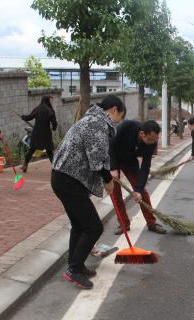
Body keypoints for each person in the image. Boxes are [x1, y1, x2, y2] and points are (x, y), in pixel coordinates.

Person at [51, 95, 125, 289]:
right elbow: (96, 160)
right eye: (120, 117)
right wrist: (108, 181)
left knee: (80, 225)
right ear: (114, 110)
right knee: (93, 227)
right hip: (69, 180)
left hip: (64, 177)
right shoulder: (97, 124)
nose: (118, 122)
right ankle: (74, 271)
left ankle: (76, 265)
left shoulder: (90, 119)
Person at [110, 119, 167, 235]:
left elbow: (145, 167)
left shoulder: (152, 143)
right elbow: (110, 144)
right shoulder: (127, 126)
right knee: (115, 193)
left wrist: (138, 190)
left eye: (155, 139)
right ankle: (123, 224)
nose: (153, 142)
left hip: (130, 161)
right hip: (113, 157)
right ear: (142, 134)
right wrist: (113, 168)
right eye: (151, 139)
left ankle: (151, 223)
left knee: (142, 193)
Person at [20, 95, 57, 172]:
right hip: (46, 134)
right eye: (50, 100)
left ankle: (25, 165)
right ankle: (55, 168)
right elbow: (54, 122)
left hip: (36, 133)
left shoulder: (37, 108)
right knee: (49, 151)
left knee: (32, 149)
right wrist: (54, 128)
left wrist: (23, 117)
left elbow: (29, 117)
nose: (51, 102)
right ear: (47, 101)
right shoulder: (50, 110)